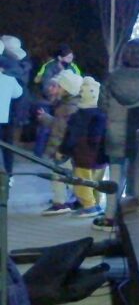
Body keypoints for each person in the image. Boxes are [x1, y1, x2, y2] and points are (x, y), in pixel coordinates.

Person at [93, 38, 139, 231]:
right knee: (138, 177)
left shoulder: (113, 77)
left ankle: (109, 216)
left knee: (114, 176)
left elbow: (102, 105)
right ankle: (132, 219)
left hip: (115, 133)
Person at [36, 70, 82, 215]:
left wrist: (59, 149)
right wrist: (46, 118)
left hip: (63, 148)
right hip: (66, 148)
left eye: (58, 86)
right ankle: (75, 200)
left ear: (67, 89)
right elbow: (58, 125)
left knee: (59, 175)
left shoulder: (68, 108)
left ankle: (60, 203)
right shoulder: (68, 105)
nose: (52, 89)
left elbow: (62, 131)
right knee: (66, 175)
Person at [60, 77, 107, 218]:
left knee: (82, 183)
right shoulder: (103, 115)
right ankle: (96, 204)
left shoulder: (79, 116)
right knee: (97, 183)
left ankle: (89, 206)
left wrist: (63, 150)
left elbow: (72, 136)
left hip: (82, 156)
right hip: (100, 157)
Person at [0, 36, 30, 175]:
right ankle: (8, 174)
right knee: (8, 146)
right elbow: (19, 93)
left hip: (10, 113)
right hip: (11, 114)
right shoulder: (20, 68)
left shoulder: (9, 70)